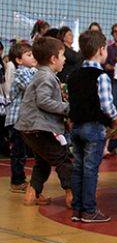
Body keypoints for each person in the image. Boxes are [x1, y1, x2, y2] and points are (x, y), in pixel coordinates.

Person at [68, 30, 117, 223]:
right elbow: (107, 106)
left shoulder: (73, 75)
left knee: (78, 168)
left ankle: (77, 209)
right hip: (93, 128)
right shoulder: (102, 76)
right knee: (91, 169)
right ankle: (89, 210)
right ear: (101, 50)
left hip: (76, 128)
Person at [15, 37, 72, 208]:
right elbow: (43, 101)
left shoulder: (41, 75)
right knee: (62, 159)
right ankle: (73, 195)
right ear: (53, 59)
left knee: (43, 161)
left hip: (29, 128)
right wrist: (67, 108)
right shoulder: (46, 76)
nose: (65, 59)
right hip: (39, 127)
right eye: (62, 55)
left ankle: (32, 194)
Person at [5, 43, 37, 193]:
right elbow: (32, 88)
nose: (33, 57)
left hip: (25, 120)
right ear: (19, 60)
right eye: (29, 55)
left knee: (23, 151)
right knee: (18, 152)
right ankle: (17, 181)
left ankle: (20, 179)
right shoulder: (20, 73)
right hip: (17, 119)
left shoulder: (32, 71)